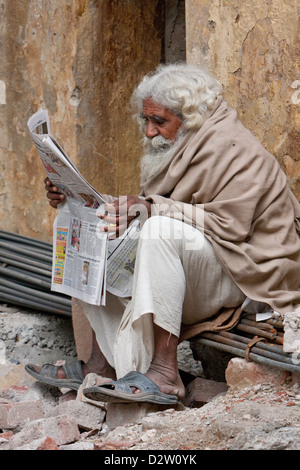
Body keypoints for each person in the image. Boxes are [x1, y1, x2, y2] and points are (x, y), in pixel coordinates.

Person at [26, 63, 300, 405]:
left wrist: (151, 209)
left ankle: (165, 374)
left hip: (247, 273)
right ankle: (102, 364)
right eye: (147, 121)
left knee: (157, 229)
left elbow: (230, 227)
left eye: (160, 122)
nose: (150, 133)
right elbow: (158, 208)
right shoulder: (179, 149)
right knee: (95, 222)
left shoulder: (235, 150)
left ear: (191, 119)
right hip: (200, 260)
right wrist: (79, 199)